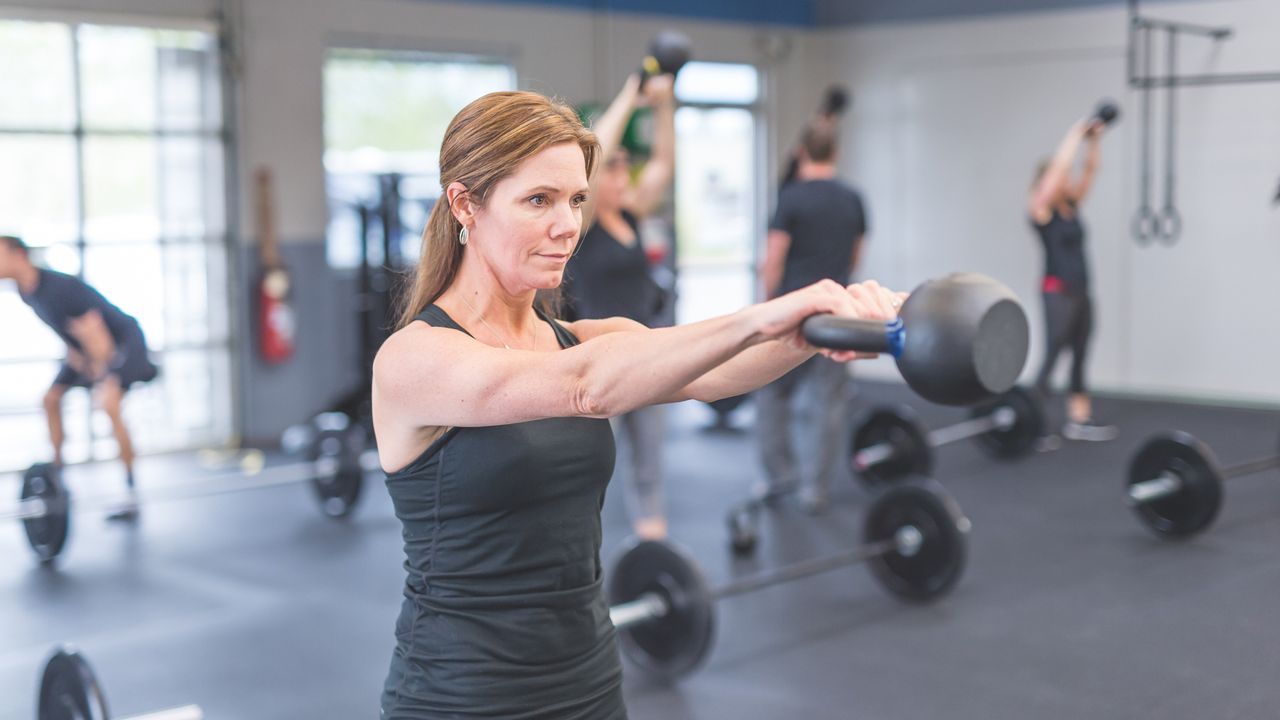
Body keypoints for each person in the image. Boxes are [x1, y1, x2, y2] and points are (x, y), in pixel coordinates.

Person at [371, 90, 904, 719]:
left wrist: (817, 327)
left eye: (574, 199)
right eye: (538, 200)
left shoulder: (582, 337)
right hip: (460, 695)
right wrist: (767, 314)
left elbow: (717, 371)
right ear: (465, 204)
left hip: (591, 681)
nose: (567, 225)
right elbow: (583, 388)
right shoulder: (415, 360)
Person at [563, 73, 675, 541]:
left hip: (645, 351)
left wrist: (664, 106)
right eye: (612, 169)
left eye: (624, 169)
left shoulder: (631, 215)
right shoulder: (581, 225)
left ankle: (652, 543)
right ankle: (573, 539)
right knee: (590, 462)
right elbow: (593, 157)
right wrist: (631, 94)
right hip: (601, 360)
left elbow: (665, 162)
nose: (620, 176)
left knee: (649, 456)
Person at [0, 235, 158, 520]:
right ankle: (57, 476)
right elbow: (70, 333)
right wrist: (78, 359)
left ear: (18, 255)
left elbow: (95, 331)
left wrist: (104, 375)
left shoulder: (58, 287)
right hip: (82, 349)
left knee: (109, 404)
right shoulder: (26, 292)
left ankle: (131, 492)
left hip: (122, 344)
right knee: (50, 399)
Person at [755, 120, 869, 514]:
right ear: (834, 153)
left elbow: (773, 262)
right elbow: (856, 255)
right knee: (829, 402)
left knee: (771, 392)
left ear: (802, 152)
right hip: (838, 314)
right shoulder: (853, 198)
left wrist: (767, 305)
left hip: (794, 312)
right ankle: (814, 488)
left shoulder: (791, 198)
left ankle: (779, 477)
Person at [1027, 115, 1118, 446]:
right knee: (1053, 354)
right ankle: (1032, 422)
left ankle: (1079, 419)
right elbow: (1056, 172)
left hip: (1081, 291)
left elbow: (1090, 170)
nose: (1068, 179)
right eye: (1061, 176)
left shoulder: (1072, 207)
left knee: (1081, 352)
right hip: (1057, 293)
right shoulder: (1041, 211)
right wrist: (1076, 133)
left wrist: (1094, 139)